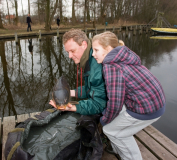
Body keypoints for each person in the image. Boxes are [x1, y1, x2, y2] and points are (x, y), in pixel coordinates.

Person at [92, 31, 166, 160]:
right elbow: (118, 99)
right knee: (114, 117)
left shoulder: (111, 67)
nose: (93, 54)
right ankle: (116, 147)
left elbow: (115, 103)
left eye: (96, 50)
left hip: (146, 109)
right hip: (156, 103)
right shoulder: (124, 56)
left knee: (110, 130)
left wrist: (104, 120)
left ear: (108, 49)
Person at [49, 29, 107, 115]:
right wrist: (69, 93)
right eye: (68, 52)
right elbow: (91, 89)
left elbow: (99, 104)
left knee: (107, 129)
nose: (69, 56)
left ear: (84, 45)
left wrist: (70, 107)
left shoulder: (96, 67)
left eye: (72, 51)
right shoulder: (88, 59)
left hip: (126, 110)